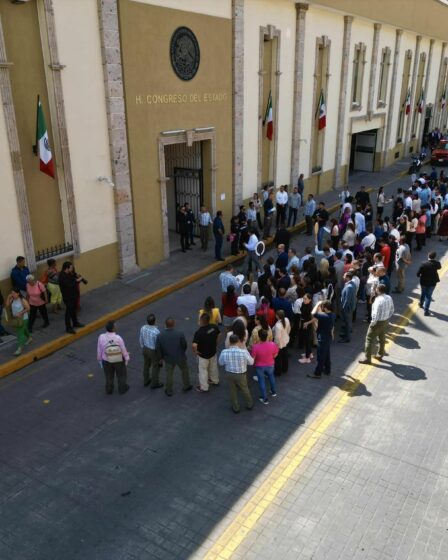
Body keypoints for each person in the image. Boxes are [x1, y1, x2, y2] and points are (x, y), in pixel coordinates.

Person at [358, 284, 394, 364]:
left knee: (369, 339)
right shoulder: (389, 297)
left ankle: (367, 358)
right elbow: (392, 310)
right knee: (382, 337)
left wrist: (372, 323)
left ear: (378, 290)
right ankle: (380, 354)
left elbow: (375, 314)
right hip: (385, 321)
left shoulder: (378, 300)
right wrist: (387, 317)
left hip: (377, 322)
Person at [156, 317, 192, 396]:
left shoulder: (160, 336)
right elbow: (184, 345)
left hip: (168, 358)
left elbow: (158, 349)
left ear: (165, 325)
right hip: (180, 356)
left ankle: (169, 390)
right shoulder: (179, 333)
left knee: (169, 374)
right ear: (174, 324)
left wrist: (161, 358)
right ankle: (186, 385)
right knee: (184, 370)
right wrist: (182, 352)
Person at [218, 333, 254, 413]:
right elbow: (251, 362)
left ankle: (236, 407)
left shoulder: (224, 352)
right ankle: (249, 404)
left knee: (232, 390)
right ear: (238, 341)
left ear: (230, 342)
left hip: (229, 374)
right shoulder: (243, 352)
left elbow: (220, 363)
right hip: (241, 374)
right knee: (245, 388)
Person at [97, 320, 130, 395]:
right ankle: (122, 389)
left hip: (106, 360)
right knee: (121, 375)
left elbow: (99, 349)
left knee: (109, 376)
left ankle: (109, 389)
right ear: (113, 329)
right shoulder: (118, 338)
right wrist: (127, 358)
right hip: (118, 359)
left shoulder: (101, 337)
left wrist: (99, 359)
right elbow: (123, 349)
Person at [307, 300, 335, 379]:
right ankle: (327, 370)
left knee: (320, 357)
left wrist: (317, 304)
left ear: (325, 308)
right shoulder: (332, 315)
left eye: (322, 306)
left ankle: (317, 373)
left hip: (322, 339)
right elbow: (332, 327)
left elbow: (312, 313)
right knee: (327, 355)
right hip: (328, 337)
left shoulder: (324, 316)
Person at [193, 312, 221, 392]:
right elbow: (219, 334)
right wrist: (216, 343)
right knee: (213, 367)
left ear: (201, 321)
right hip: (213, 351)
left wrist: (196, 352)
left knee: (203, 370)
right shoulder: (214, 327)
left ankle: (204, 387)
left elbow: (194, 345)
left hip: (203, 355)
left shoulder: (199, 332)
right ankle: (215, 380)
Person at [251, 329, 278, 404]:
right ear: (267, 336)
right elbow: (275, 355)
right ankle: (273, 392)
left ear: (259, 337)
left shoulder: (255, 347)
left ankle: (264, 398)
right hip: (270, 365)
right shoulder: (273, 344)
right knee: (271, 377)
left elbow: (253, 358)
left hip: (259, 367)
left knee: (261, 381)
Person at [59, 261, 85, 334]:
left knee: (73, 310)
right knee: (68, 312)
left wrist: (78, 278)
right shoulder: (62, 276)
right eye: (71, 268)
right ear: (67, 268)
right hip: (68, 297)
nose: (72, 269)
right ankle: (68, 327)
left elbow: (73, 280)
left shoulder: (69, 274)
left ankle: (75, 322)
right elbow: (69, 285)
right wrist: (77, 281)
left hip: (73, 295)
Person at [139, 313, 163, 389]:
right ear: (155, 321)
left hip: (145, 348)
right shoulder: (156, 332)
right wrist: (160, 357)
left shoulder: (143, 328)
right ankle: (154, 383)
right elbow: (158, 346)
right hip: (153, 351)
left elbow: (141, 339)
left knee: (146, 364)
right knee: (155, 366)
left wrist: (143, 347)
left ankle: (146, 381)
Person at [5, 288, 31, 356]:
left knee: (20, 333)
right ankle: (29, 338)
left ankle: (20, 348)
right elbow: (7, 305)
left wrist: (20, 313)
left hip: (23, 318)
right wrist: (8, 297)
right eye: (12, 293)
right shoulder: (12, 299)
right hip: (16, 319)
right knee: (24, 329)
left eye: (14, 293)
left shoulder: (22, 300)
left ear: (18, 293)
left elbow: (28, 308)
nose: (12, 294)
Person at [417, 251, 441, 316]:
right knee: (428, 296)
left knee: (423, 293)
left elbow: (418, 273)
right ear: (434, 257)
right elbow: (439, 267)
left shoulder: (424, 264)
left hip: (424, 281)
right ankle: (426, 310)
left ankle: (421, 303)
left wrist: (419, 275)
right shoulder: (437, 263)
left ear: (428, 256)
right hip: (432, 282)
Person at [339, 272, 357, 343]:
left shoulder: (349, 287)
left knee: (347, 323)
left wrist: (343, 308)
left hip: (347, 309)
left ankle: (347, 338)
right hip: (349, 308)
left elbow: (347, 299)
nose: (343, 277)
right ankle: (345, 334)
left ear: (348, 277)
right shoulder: (351, 284)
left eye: (344, 276)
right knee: (347, 322)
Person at [273, 309, 290, 375]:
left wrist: (276, 345)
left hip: (279, 343)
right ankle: (285, 368)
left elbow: (277, 337)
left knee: (278, 359)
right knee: (285, 355)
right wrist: (286, 335)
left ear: (277, 316)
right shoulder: (286, 320)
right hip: (285, 340)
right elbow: (289, 329)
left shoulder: (278, 326)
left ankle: (278, 372)